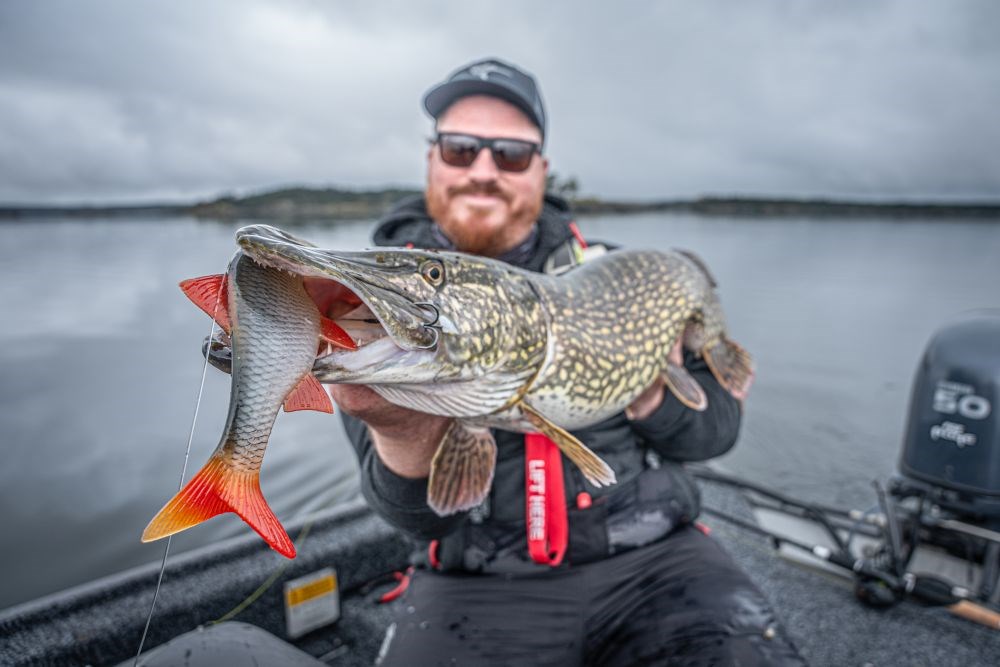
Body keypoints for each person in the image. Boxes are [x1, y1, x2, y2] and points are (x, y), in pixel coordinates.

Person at [329, 58, 805, 666]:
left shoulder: (623, 276)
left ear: (542, 170)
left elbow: (716, 434)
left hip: (656, 563)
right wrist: (403, 432)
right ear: (431, 161)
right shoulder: (384, 306)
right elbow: (418, 521)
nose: (483, 171)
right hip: (477, 583)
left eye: (510, 155)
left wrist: (649, 389)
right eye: (459, 149)